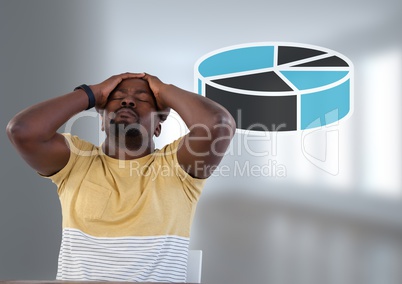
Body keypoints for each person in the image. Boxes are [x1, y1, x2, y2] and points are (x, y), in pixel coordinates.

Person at [6, 72, 236, 282]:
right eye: (117, 98)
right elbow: (23, 131)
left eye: (143, 99)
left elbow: (218, 125)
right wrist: (93, 93)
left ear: (158, 126)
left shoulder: (177, 167)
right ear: (102, 120)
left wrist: (163, 89)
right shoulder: (77, 160)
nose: (128, 101)